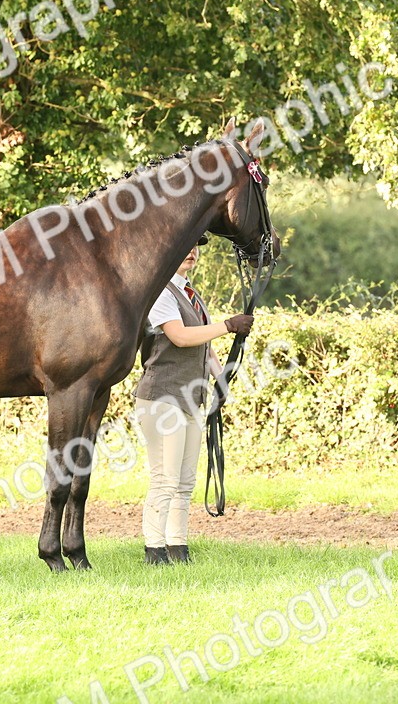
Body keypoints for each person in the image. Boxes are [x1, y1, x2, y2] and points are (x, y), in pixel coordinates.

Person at [134, 237, 253, 565]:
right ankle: (154, 550)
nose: (191, 250)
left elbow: (206, 347)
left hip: (190, 399)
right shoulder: (160, 293)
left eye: (195, 245)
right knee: (165, 478)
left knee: (185, 480)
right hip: (162, 397)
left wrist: (222, 382)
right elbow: (181, 337)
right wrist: (228, 325)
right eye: (183, 244)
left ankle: (178, 547)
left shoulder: (192, 295)